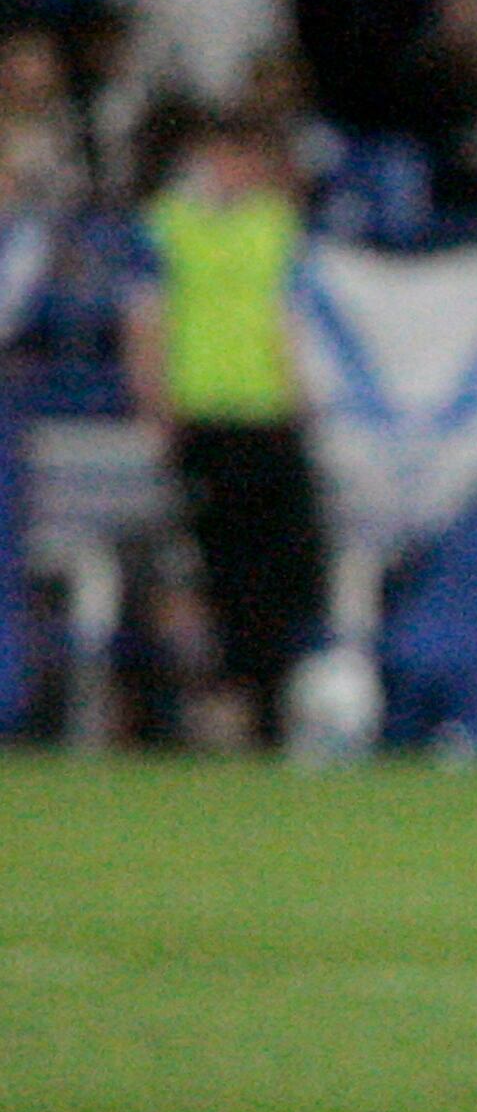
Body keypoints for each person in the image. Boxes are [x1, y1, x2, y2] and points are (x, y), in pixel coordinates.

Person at [121, 102, 325, 750]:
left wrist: (300, 399)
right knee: (214, 570)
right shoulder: (166, 226)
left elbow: (286, 316)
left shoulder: (275, 225)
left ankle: (268, 707)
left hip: (268, 417)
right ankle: (204, 712)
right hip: (203, 419)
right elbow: (144, 321)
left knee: (281, 568)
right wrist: (155, 406)